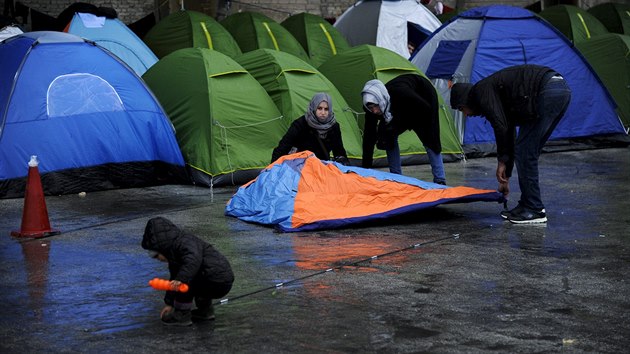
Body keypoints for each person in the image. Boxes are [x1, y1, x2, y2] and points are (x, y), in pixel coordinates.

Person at [449, 64, 571, 224]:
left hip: (547, 90)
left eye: (461, 109)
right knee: (527, 151)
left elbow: (501, 127)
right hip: (558, 90)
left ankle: (534, 209)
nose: (465, 115)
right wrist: (506, 174)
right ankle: (528, 204)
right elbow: (509, 130)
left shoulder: (481, 92)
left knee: (526, 152)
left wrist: (501, 161)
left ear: (464, 101)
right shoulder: (491, 92)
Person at [142, 217, 234, 326]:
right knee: (189, 278)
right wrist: (169, 303)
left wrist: (180, 280)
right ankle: (205, 311)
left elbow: (192, 261)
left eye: (157, 256)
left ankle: (182, 315)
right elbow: (173, 280)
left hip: (218, 279)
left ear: (162, 247)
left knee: (185, 282)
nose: (159, 259)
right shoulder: (176, 251)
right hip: (219, 279)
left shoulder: (184, 243)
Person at [361, 74, 446, 184]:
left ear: (381, 101)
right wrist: (365, 170)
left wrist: (400, 124)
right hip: (400, 107)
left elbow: (424, 108)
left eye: (376, 106)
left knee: (430, 138)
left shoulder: (400, 93)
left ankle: (440, 179)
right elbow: (369, 136)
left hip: (424, 98)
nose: (375, 111)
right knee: (387, 134)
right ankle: (396, 178)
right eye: (371, 108)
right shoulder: (372, 108)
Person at [271, 92, 349, 165]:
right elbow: (283, 146)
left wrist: (343, 165)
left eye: (326, 109)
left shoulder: (333, 126)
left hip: (321, 166)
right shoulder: (300, 124)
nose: (323, 112)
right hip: (300, 166)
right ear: (314, 108)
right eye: (319, 108)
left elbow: (339, 151)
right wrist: (272, 168)